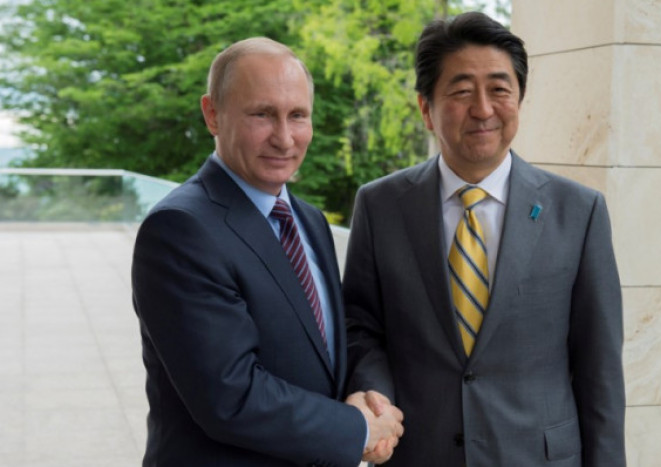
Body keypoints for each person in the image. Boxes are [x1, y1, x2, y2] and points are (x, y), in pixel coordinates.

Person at [343, 11, 625, 467]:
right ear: (425, 108)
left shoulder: (579, 211)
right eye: (461, 91)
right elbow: (361, 327)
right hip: (419, 454)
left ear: (519, 98)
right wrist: (376, 399)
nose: (483, 109)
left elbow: (601, 369)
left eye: (499, 89)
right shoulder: (381, 206)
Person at [131, 37, 403, 467]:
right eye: (262, 114)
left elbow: (332, 341)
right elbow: (230, 396)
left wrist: (371, 399)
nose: (284, 138)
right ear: (212, 114)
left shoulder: (308, 220)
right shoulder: (180, 229)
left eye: (297, 115)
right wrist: (359, 429)